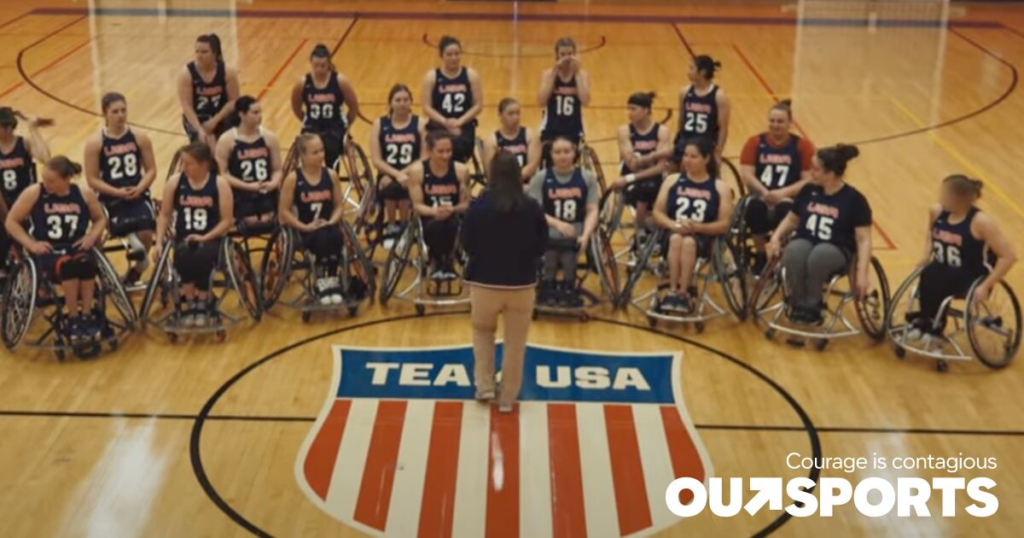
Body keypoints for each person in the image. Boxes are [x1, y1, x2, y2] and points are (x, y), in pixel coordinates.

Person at [463, 152, 548, 413]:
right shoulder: (532, 207)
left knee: (482, 333)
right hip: (521, 285)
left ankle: (485, 386)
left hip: (484, 283)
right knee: (515, 343)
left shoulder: (478, 207)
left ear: (491, 174)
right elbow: (541, 245)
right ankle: (508, 396)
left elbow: (467, 244)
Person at [768, 144, 872, 325]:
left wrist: (862, 273)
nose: (810, 172)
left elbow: (864, 240)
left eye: (815, 169)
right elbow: (793, 219)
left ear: (830, 174)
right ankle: (799, 303)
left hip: (837, 249)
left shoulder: (855, 200)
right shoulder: (808, 190)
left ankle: (813, 304)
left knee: (819, 256)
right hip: (806, 241)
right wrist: (776, 237)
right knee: (794, 252)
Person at [4, 156, 106, 342]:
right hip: (48, 251)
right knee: (67, 266)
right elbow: (11, 222)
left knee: (86, 262)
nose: (46, 183)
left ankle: (86, 314)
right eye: (44, 178)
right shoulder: (35, 192)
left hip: (76, 246)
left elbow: (100, 219)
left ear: (66, 179)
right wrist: (31, 244)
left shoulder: (83, 194)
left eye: (51, 180)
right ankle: (73, 317)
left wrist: (92, 236)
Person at [908, 175, 1016, 338]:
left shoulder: (981, 222)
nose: (941, 198)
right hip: (941, 271)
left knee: (936, 274)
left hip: (972, 276)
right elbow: (931, 233)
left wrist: (986, 285)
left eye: (946, 195)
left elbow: (1008, 257)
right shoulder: (937, 212)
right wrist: (925, 254)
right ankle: (927, 319)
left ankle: (932, 323)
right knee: (931, 271)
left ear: (961, 199)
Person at [154, 142, 234, 328]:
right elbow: (164, 215)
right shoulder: (175, 182)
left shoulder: (219, 184)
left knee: (202, 255)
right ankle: (190, 303)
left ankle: (203, 302)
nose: (184, 167)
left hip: (211, 238)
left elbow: (227, 221)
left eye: (188, 163)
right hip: (184, 238)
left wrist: (205, 238)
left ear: (203, 164)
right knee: (183, 254)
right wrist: (158, 242)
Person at [652, 137, 733, 313]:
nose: (686, 160)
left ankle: (684, 291)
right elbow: (657, 213)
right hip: (673, 232)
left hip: (703, 238)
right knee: (675, 239)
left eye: (693, 156)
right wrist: (672, 224)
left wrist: (698, 228)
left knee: (688, 242)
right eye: (685, 156)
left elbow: (724, 224)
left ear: (706, 159)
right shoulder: (672, 180)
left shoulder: (720, 187)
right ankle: (674, 290)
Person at [84, 92, 158, 285]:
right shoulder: (95, 143)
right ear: (105, 114)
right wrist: (116, 192)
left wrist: (140, 188)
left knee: (146, 232)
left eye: (123, 110)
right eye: (115, 111)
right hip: (111, 198)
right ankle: (102, 272)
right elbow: (92, 179)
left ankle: (137, 270)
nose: (120, 115)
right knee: (102, 227)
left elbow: (151, 170)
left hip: (138, 195)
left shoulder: (139, 137)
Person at [739, 99, 816, 274]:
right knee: (754, 208)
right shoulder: (755, 142)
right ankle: (760, 255)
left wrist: (782, 193)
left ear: (790, 123)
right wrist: (764, 192)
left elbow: (808, 180)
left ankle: (779, 255)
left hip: (788, 197)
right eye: (772, 121)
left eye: (780, 121)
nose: (775, 125)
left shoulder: (802, 146)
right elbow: (747, 174)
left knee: (787, 209)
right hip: (761, 195)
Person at [527, 136, 599, 307]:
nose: (562, 156)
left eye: (567, 151)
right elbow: (536, 210)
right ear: (551, 155)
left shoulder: (587, 178)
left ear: (575, 152)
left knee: (569, 246)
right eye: (558, 152)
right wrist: (557, 224)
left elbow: (592, 210)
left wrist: (586, 235)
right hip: (549, 227)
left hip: (576, 229)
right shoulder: (541, 178)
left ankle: (568, 285)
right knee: (551, 246)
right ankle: (548, 285)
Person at [279, 134, 347, 305]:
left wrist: (331, 221)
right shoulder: (294, 179)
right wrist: (304, 226)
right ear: (303, 156)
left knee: (335, 235)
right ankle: (323, 280)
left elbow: (339, 206)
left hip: (327, 226)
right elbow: (284, 212)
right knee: (322, 236)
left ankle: (331, 277)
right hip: (304, 230)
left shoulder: (331, 175)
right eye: (315, 152)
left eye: (322, 150)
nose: (321, 155)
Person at [609, 92, 671, 256]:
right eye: (628, 108)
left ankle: (649, 229)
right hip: (632, 184)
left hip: (642, 179)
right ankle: (640, 229)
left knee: (656, 189)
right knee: (645, 188)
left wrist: (637, 169)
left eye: (633, 109)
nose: (629, 112)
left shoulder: (661, 131)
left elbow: (660, 168)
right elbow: (632, 163)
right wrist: (654, 156)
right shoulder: (624, 130)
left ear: (646, 110)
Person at [407, 131, 470, 280]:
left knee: (450, 224)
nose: (445, 156)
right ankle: (437, 259)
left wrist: (452, 209)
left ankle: (447, 259)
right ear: (430, 151)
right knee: (438, 226)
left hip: (453, 218)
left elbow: (465, 204)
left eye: (449, 151)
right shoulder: (417, 171)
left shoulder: (461, 171)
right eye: (440, 151)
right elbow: (417, 205)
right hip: (428, 218)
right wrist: (435, 212)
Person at [215, 95, 283, 231]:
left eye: (260, 112)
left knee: (267, 219)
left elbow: (277, 169)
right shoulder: (227, 140)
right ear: (242, 115)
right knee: (250, 221)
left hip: (265, 190)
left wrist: (273, 183)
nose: (260, 116)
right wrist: (247, 186)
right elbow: (222, 173)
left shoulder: (270, 138)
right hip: (240, 192)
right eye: (255, 113)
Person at [370, 84, 426, 247]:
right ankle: (392, 226)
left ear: (411, 102)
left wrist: (404, 173)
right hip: (388, 172)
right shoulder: (379, 124)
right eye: (398, 100)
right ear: (391, 103)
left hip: (411, 172)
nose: (402, 103)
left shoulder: (420, 124)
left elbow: (423, 157)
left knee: (403, 186)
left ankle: (404, 225)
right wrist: (396, 174)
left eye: (406, 100)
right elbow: (376, 159)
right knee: (390, 186)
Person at [290, 43, 360, 171]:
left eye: (323, 65)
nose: (319, 69)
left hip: (334, 126)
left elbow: (353, 106)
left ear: (328, 64)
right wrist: (305, 119)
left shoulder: (340, 81)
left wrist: (346, 124)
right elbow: (296, 106)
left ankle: (331, 178)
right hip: (312, 126)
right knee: (306, 148)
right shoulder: (303, 83)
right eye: (316, 65)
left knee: (331, 148)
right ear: (311, 63)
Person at [0, 107, 51, 274]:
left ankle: (39, 274)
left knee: (35, 239)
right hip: (3, 202)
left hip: (27, 201)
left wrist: (33, 128)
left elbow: (45, 157)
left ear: (8, 128)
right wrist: (6, 215)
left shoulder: (24, 144)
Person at [422, 35, 483, 163]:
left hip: (464, 125)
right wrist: (445, 122)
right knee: (437, 147)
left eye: (457, 54)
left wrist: (459, 122)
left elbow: (478, 105)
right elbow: (426, 107)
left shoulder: (471, 75)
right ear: (441, 55)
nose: (454, 58)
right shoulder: (432, 77)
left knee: (458, 148)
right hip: (439, 125)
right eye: (449, 54)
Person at [178, 33, 240, 150]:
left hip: (221, 116)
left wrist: (214, 121)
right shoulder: (187, 73)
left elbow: (233, 101)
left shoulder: (227, 71)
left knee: (225, 147)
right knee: (201, 150)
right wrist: (200, 130)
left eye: (204, 52)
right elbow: (186, 106)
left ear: (214, 54)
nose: (199, 56)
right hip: (197, 117)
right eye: (197, 52)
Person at [673, 55, 730, 166]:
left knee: (712, 176)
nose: (688, 71)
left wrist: (718, 152)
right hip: (685, 140)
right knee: (673, 170)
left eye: (691, 68)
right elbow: (681, 119)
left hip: (706, 143)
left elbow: (723, 128)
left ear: (702, 72)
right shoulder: (684, 92)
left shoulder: (719, 95)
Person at [538, 37, 590, 147]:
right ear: (557, 56)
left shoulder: (582, 75)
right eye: (563, 54)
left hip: (573, 128)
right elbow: (541, 101)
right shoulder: (548, 74)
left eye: (570, 54)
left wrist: (577, 74)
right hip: (551, 128)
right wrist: (554, 72)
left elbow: (585, 101)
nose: (567, 58)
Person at [481, 97, 541, 183]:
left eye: (518, 113)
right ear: (500, 115)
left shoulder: (530, 135)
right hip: (501, 186)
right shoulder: (492, 140)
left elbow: (532, 167)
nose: (515, 117)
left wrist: (515, 181)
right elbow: (490, 172)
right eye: (511, 114)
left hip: (525, 185)